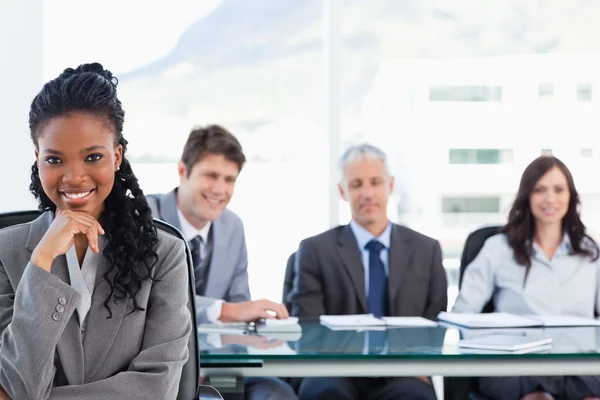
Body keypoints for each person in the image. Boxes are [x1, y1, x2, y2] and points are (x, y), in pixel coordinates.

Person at [0, 63, 191, 399]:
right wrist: (42, 261)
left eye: (92, 157)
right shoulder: (6, 252)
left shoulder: (165, 254)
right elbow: (19, 382)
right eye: (55, 160)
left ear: (116, 157)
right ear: (37, 158)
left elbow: (158, 389)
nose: (74, 177)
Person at [147, 124, 297, 399]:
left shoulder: (232, 227)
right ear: (183, 171)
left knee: (278, 394)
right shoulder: (145, 218)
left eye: (229, 179)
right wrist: (225, 311)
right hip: (159, 370)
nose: (220, 189)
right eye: (211, 175)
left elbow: (240, 305)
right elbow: (150, 300)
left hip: (221, 368)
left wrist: (261, 328)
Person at [289, 143, 447, 400]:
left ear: (391, 186)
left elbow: (435, 323)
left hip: (404, 373)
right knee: (323, 392)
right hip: (335, 371)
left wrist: (419, 367)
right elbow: (308, 327)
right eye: (356, 184)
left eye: (375, 182)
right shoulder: (316, 250)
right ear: (343, 191)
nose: (367, 193)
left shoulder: (425, 250)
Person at [453, 155, 600, 400]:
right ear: (527, 196)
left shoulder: (589, 252)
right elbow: (462, 314)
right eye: (540, 189)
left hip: (577, 365)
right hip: (515, 366)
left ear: (570, 197)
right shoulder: (498, 248)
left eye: (558, 189)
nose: (550, 199)